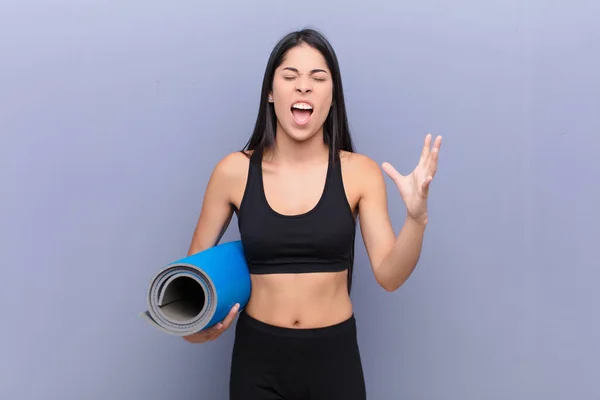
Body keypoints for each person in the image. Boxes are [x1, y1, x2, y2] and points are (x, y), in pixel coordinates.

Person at [182, 28, 442, 400]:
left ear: (332, 96)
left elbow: (390, 276)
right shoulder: (233, 172)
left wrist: (417, 219)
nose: (303, 87)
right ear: (271, 93)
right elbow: (191, 284)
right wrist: (194, 329)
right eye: (290, 77)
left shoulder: (359, 172)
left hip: (334, 361)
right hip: (258, 361)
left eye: (318, 78)